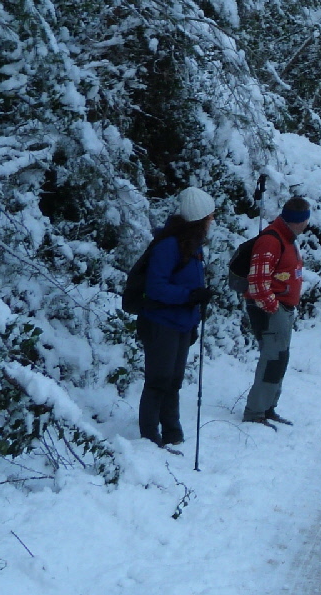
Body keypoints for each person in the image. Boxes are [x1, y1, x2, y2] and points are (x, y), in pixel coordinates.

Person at [138, 187, 214, 448]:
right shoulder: (168, 245)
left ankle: (172, 431)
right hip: (161, 322)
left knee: (174, 380)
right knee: (158, 380)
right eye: (209, 216)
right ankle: (149, 436)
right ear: (198, 218)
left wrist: (196, 304)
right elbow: (156, 287)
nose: (212, 220)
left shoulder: (192, 245)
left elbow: (190, 284)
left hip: (182, 322)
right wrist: (189, 296)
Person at [243, 196, 310, 426]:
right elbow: (257, 282)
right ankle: (255, 412)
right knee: (272, 359)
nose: (307, 224)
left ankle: (268, 408)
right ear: (299, 220)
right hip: (271, 310)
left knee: (279, 359)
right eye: (306, 219)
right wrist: (275, 308)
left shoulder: (287, 238)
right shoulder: (271, 240)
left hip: (283, 308)